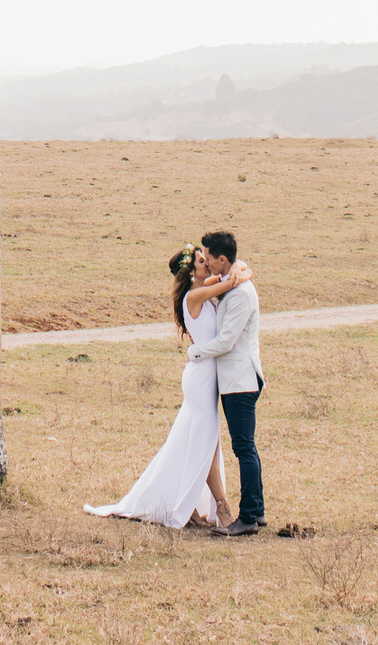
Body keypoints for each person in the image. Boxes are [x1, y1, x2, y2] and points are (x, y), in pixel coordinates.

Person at [82, 241, 255, 529]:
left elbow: (239, 273)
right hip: (201, 378)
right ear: (191, 274)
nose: (207, 263)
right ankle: (221, 507)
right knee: (207, 440)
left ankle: (186, 504)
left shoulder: (203, 286)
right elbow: (231, 282)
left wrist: (237, 267)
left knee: (198, 440)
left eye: (207, 259)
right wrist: (236, 271)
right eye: (202, 261)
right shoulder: (196, 295)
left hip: (207, 374)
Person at [185, 230, 267, 537]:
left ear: (222, 260)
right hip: (234, 379)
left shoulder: (240, 295)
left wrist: (196, 352)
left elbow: (227, 341)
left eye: (210, 257)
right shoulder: (230, 286)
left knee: (244, 448)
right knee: (246, 447)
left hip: (240, 380)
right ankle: (255, 512)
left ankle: (247, 516)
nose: (206, 261)